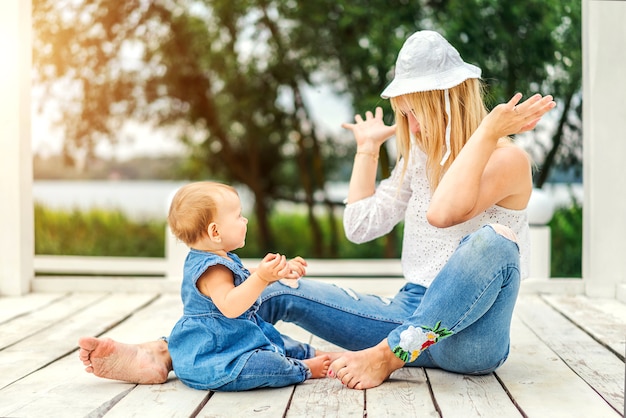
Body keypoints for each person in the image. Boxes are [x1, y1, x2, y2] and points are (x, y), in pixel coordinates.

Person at [78, 30, 556, 390]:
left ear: (450, 100)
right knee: (276, 288)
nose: (408, 123)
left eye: (416, 111)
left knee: (492, 243)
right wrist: (367, 152)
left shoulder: (506, 158)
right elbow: (359, 225)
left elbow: (444, 214)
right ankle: (167, 351)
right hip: (408, 314)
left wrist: (487, 133)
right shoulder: (420, 161)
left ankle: (388, 357)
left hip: (470, 340)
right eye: (403, 112)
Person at [82, 181, 334, 391]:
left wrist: (274, 272)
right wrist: (262, 279)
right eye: (238, 216)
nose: (245, 220)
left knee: (275, 339)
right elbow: (231, 306)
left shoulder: (214, 258)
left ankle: (312, 353)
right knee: (266, 363)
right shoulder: (213, 269)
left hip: (228, 341)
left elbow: (241, 278)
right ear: (215, 231)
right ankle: (303, 368)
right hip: (218, 357)